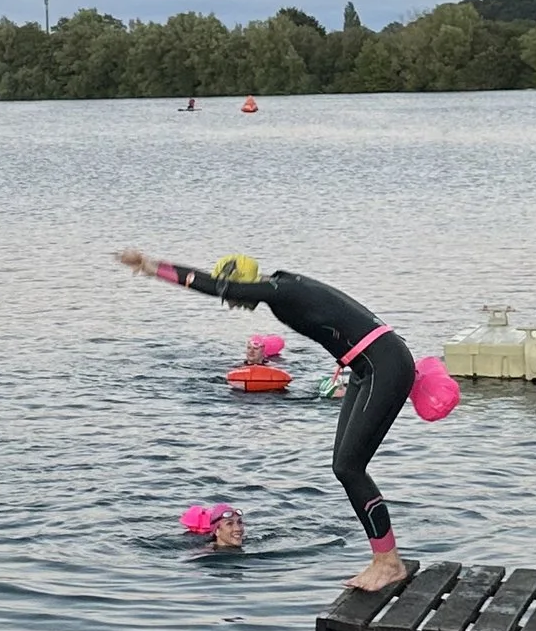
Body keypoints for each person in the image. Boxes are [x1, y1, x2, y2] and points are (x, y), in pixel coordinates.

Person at [119, 247, 415, 589]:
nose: (233, 304)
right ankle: (384, 558)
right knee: (343, 465)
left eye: (235, 294)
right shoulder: (283, 284)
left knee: (349, 468)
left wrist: (153, 268)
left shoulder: (279, 290)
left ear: (242, 282)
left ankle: (388, 562)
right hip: (369, 366)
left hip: (385, 365)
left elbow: (216, 286)